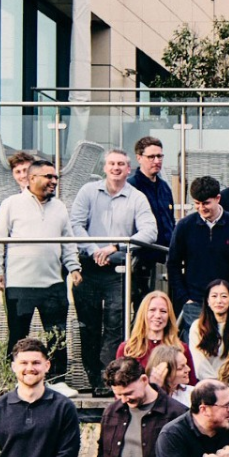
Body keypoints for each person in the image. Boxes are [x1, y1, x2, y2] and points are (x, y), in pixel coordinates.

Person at [69, 147, 159, 395]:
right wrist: (94, 250)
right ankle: (93, 378)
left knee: (115, 325)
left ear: (128, 169)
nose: (116, 168)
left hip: (118, 270)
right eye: (112, 164)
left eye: (121, 164)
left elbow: (150, 231)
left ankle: (108, 378)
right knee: (88, 324)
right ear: (104, 168)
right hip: (87, 267)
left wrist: (115, 247)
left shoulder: (137, 197)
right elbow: (75, 224)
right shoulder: (88, 191)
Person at [0, 157, 80, 396]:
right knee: (17, 335)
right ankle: (13, 381)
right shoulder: (11, 204)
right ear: (32, 178)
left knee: (57, 335)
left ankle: (58, 380)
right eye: (48, 176)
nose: (53, 181)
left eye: (55, 177)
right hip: (19, 285)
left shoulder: (59, 207)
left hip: (53, 283)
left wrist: (74, 267)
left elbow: (68, 241)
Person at [167, 176, 229, 330]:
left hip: (227, 302)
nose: (201, 208)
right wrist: (185, 298)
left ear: (218, 198)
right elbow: (173, 264)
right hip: (195, 303)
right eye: (197, 203)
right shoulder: (184, 227)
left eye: (206, 203)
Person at [128, 138, 175, 299]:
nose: (157, 161)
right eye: (151, 157)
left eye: (159, 156)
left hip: (165, 258)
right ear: (139, 158)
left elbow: (170, 222)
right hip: (141, 259)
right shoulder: (131, 187)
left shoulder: (165, 187)